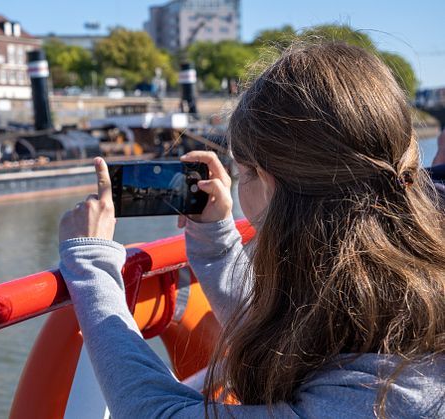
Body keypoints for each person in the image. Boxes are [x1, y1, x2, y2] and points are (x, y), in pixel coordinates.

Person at [58, 42, 445, 418]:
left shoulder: (372, 401)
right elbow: (291, 330)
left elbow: (156, 412)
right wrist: (215, 240)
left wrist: (90, 260)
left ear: (268, 180)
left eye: (242, 172)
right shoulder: (400, 302)